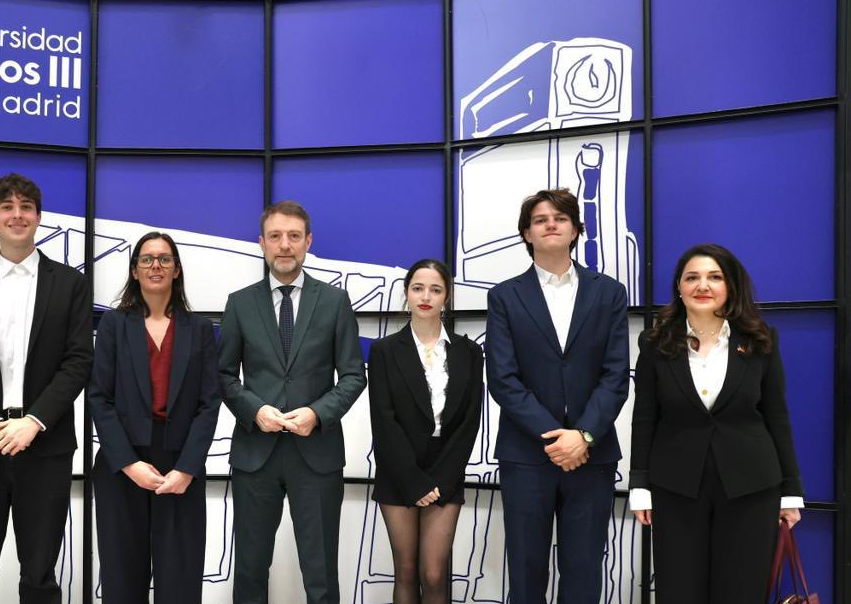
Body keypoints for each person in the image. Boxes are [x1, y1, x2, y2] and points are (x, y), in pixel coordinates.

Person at [0, 173, 93, 604]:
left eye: (26, 206)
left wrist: (34, 421)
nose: (17, 214)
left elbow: (79, 361)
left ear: (39, 217)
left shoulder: (71, 284)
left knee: (40, 575)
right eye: (7, 207)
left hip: (46, 447)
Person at [629, 243, 803, 602]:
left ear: (730, 286)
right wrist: (639, 486)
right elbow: (644, 418)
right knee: (679, 591)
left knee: (741, 591)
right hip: (676, 487)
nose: (702, 285)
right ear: (679, 287)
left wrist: (791, 491)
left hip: (752, 487)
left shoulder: (760, 339)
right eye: (692, 277)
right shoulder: (655, 342)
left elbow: (777, 415)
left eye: (714, 277)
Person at [484, 188, 629, 604]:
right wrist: (557, 438)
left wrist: (583, 436)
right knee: (526, 569)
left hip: (592, 454)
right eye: (540, 219)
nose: (551, 224)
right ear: (526, 233)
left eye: (560, 218)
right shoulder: (505, 296)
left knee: (584, 570)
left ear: (576, 230)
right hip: (527, 454)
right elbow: (503, 379)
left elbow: (616, 375)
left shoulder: (609, 292)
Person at [218, 200, 367, 604]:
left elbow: (354, 375)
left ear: (308, 242)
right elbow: (223, 375)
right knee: (249, 571)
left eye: (294, 236)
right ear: (262, 243)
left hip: (316, 454)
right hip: (255, 455)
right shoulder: (240, 303)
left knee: (321, 575)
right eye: (276, 236)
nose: (285, 245)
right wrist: (254, 410)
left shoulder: (334, 302)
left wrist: (317, 413)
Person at [88, 232, 221, 604]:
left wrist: (187, 469)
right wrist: (129, 464)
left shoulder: (200, 329)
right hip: (122, 465)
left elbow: (209, 403)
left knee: (180, 580)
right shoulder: (113, 325)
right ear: (135, 270)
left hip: (180, 465)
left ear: (176, 269)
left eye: (164, 259)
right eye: (146, 259)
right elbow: (99, 397)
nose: (155, 266)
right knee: (122, 580)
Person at [368, 259, 484, 604]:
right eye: (418, 288)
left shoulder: (469, 351)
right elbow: (383, 421)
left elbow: (470, 420)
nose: (425, 296)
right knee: (405, 571)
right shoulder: (385, 350)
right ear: (406, 293)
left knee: (434, 574)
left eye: (435, 289)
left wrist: (443, 479)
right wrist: (413, 480)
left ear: (447, 296)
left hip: (446, 467)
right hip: (398, 468)